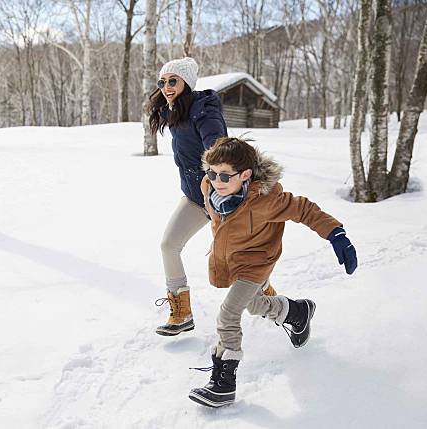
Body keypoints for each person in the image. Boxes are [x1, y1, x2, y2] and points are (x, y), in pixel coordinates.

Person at [188, 137, 358, 408]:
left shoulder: (267, 199)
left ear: (245, 175)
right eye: (211, 172)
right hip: (234, 259)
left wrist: (336, 234)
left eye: (223, 175)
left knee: (229, 312)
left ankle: (223, 383)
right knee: (253, 305)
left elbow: (304, 209)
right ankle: (296, 312)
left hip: (258, 261)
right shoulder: (210, 186)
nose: (216, 180)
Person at [148, 58, 276, 336]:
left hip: (224, 200)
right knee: (169, 245)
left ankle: (268, 294)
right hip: (196, 197)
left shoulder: (203, 111)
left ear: (187, 83)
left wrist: (217, 170)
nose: (167, 87)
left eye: (173, 81)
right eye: (163, 82)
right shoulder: (174, 110)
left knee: (238, 261)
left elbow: (219, 148)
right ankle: (181, 312)